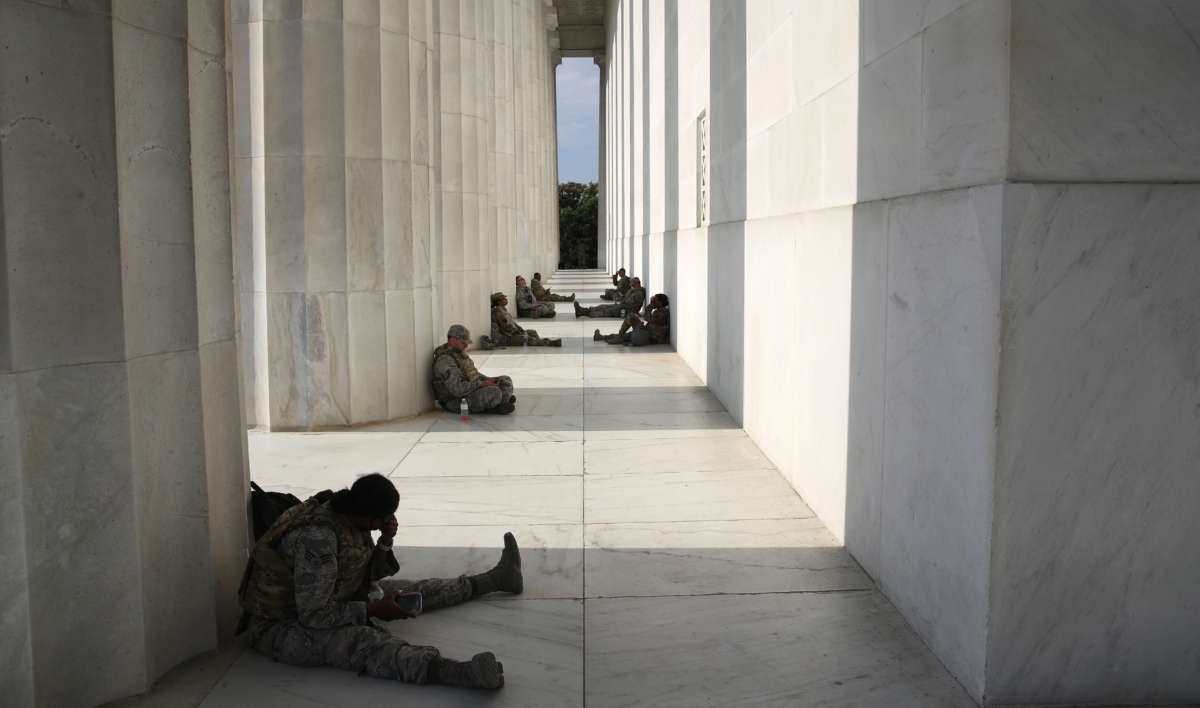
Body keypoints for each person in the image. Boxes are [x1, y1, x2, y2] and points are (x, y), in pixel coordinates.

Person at [239, 473, 523, 690]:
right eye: (384, 519)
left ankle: (497, 579)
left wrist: (385, 542)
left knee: (411, 590)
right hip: (281, 624)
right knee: (362, 641)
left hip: (334, 597)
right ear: (371, 515)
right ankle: (459, 673)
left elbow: (361, 572)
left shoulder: (348, 513)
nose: (387, 521)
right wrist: (373, 611)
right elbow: (314, 615)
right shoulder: (319, 540)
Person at [432, 324, 515, 414]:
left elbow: (473, 374)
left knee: (505, 380)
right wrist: (483, 384)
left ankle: (499, 403)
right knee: (495, 392)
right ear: (452, 340)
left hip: (471, 390)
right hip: (456, 401)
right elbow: (457, 389)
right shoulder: (445, 360)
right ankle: (498, 405)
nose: (466, 346)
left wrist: (488, 379)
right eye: (463, 342)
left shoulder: (458, 353)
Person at [483, 292, 562, 348]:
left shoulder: (503, 309)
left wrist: (521, 329)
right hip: (507, 338)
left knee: (532, 332)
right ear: (499, 302)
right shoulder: (498, 312)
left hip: (514, 332)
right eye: (503, 298)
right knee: (527, 338)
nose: (506, 299)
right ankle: (550, 343)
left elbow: (512, 323)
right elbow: (506, 327)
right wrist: (518, 332)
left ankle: (540, 342)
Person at [594, 293, 670, 346]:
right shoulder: (660, 311)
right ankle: (603, 337)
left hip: (649, 337)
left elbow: (647, 318)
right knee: (626, 335)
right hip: (647, 333)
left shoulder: (663, 312)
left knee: (631, 317)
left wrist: (650, 306)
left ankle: (617, 337)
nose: (653, 301)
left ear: (660, 302)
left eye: (655, 300)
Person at [575, 277, 646, 318]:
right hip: (621, 306)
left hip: (624, 311)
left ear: (637, 284)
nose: (632, 287)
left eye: (633, 285)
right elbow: (625, 299)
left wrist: (623, 299)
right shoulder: (634, 291)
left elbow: (629, 302)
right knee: (602, 306)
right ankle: (583, 309)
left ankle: (582, 313)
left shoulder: (639, 294)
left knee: (603, 312)